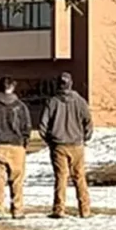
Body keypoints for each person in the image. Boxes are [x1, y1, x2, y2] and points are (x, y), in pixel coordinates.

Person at [38, 72, 92, 219]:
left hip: (59, 145)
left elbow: (43, 125)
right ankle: (84, 209)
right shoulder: (80, 102)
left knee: (61, 178)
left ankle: (59, 209)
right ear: (71, 84)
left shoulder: (52, 102)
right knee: (79, 177)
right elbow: (88, 121)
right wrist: (85, 137)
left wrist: (49, 141)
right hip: (77, 145)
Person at [0, 77, 32, 221]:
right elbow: (26, 127)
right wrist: (24, 142)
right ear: (13, 88)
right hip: (17, 145)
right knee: (17, 180)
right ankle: (17, 210)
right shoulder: (21, 107)